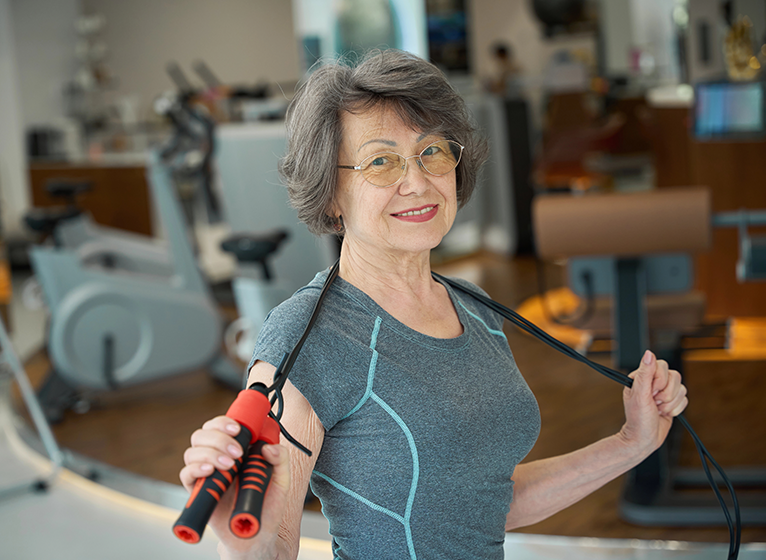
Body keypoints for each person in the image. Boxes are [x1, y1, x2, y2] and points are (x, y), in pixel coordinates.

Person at [180, 49, 688, 560]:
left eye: (434, 152)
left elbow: (486, 505)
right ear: (332, 193)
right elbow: (275, 543)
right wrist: (240, 541)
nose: (418, 182)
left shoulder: (477, 308)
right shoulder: (305, 338)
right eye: (381, 161)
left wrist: (631, 443)